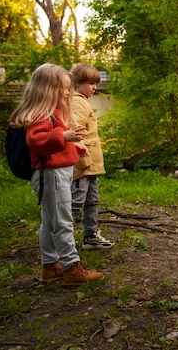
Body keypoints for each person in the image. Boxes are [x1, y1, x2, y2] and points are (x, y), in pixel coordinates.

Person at [9, 63, 104, 285]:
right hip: (50, 175)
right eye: (65, 88)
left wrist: (74, 146)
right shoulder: (42, 115)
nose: (69, 92)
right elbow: (37, 140)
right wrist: (64, 137)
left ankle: (51, 266)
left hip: (56, 172)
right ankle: (72, 268)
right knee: (62, 221)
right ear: (49, 89)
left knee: (50, 220)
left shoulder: (54, 113)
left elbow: (57, 142)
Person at [69, 63, 114, 250]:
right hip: (84, 164)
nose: (95, 87)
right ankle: (63, 235)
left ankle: (90, 235)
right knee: (76, 201)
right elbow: (76, 133)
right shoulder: (78, 102)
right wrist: (85, 162)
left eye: (96, 83)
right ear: (78, 82)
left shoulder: (82, 100)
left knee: (92, 200)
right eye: (90, 83)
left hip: (91, 165)